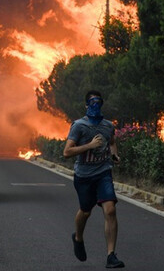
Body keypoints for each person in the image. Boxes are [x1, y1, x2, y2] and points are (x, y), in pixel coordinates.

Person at [63, 90, 125, 268]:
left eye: (99, 102)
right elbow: (66, 152)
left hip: (103, 173)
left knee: (110, 210)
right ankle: (78, 237)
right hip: (83, 176)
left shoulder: (108, 125)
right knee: (86, 211)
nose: (96, 106)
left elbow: (112, 141)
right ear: (86, 105)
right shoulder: (79, 126)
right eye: (92, 103)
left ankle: (111, 256)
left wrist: (114, 155)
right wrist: (90, 145)